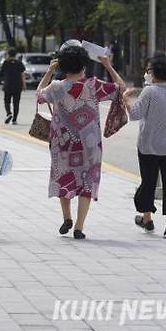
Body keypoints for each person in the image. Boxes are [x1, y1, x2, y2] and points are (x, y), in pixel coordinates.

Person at [36, 44, 126, 240]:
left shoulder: (57, 87)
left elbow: (39, 95)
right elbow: (121, 89)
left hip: (63, 143)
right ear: (84, 65)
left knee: (64, 176)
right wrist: (108, 66)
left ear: (63, 66)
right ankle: (79, 226)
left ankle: (66, 217)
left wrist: (50, 72)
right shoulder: (94, 85)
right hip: (90, 144)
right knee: (87, 181)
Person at [124, 55, 166, 239]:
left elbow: (136, 115)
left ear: (153, 72)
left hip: (149, 146)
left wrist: (125, 100)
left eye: (148, 69)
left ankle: (147, 218)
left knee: (148, 183)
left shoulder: (149, 92)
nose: (147, 73)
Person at [2, 48, 26, 124]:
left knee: (7, 101)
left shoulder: (5, 62)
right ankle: (14, 119)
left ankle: (9, 113)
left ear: (8, 54)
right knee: (16, 103)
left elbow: (1, 73)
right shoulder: (19, 63)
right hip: (18, 85)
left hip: (8, 85)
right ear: (16, 55)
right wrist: (24, 84)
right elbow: (22, 74)